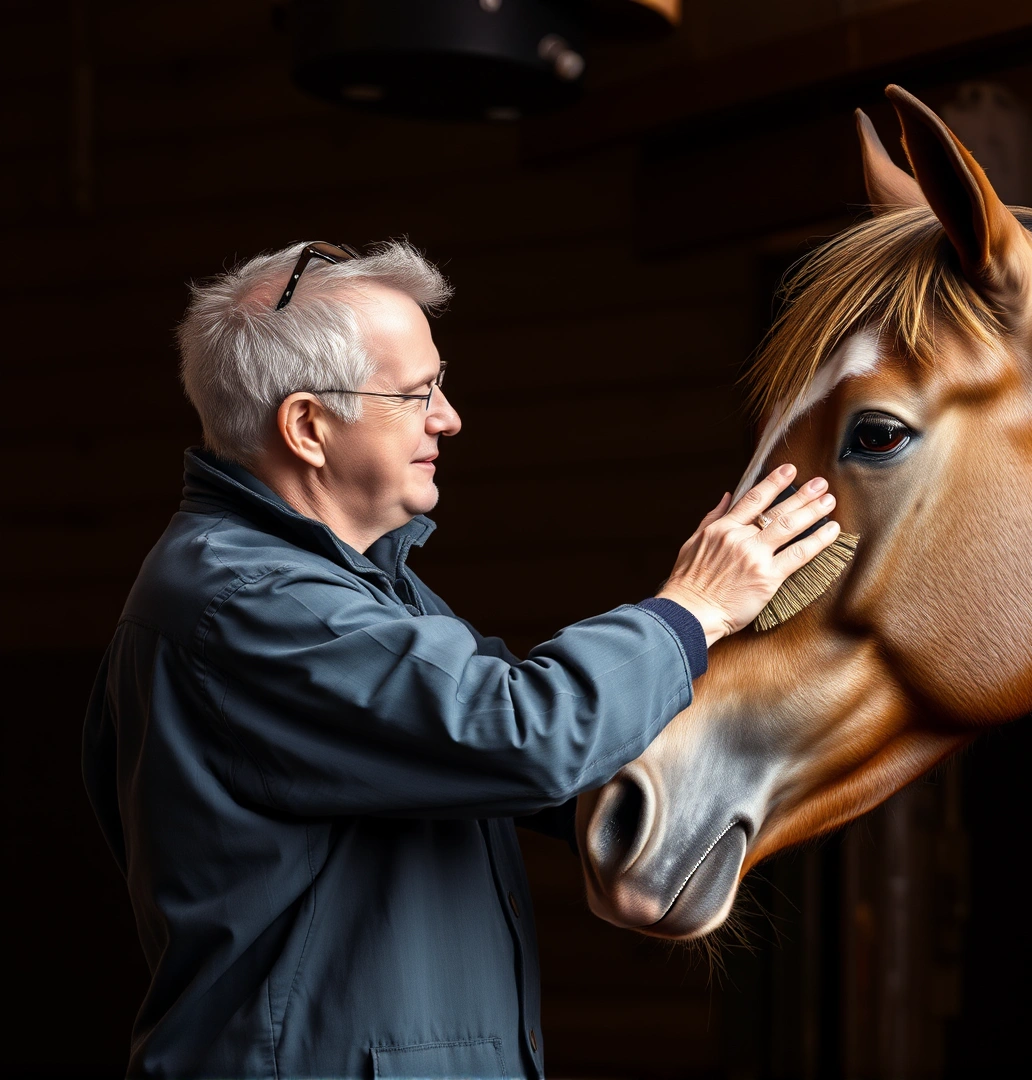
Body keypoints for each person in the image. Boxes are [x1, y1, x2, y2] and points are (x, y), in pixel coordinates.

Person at [80, 240, 840, 1079]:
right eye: (415, 395)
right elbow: (526, 733)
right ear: (306, 427)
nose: (449, 418)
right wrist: (691, 609)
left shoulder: (359, 586)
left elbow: (525, 762)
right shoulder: (253, 604)